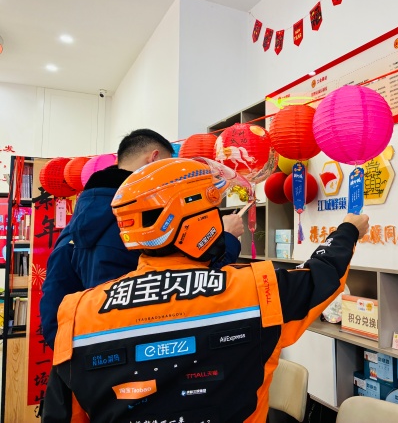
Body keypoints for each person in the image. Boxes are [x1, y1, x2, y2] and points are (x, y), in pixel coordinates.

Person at [42, 157, 369, 423]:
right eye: (213, 210)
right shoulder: (256, 288)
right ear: (196, 222)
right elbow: (322, 274)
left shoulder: (77, 313)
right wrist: (348, 230)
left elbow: (62, 414)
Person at [40, 129, 244, 349]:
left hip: (99, 360)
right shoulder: (150, 226)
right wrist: (227, 239)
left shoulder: (73, 229)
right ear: (153, 159)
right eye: (167, 164)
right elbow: (190, 289)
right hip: (160, 354)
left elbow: (54, 321)